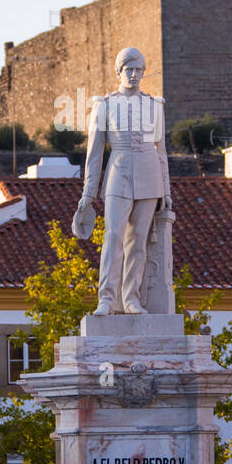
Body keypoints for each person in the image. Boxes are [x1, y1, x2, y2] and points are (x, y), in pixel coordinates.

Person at [74, 47, 172, 314]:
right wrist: (88, 192)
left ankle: (131, 298)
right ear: (119, 71)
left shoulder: (155, 105)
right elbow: (94, 153)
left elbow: (161, 151)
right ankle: (106, 297)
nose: (134, 74)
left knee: (138, 240)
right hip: (118, 171)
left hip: (149, 174)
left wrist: (167, 190)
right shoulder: (104, 105)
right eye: (128, 69)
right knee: (113, 235)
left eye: (138, 70)